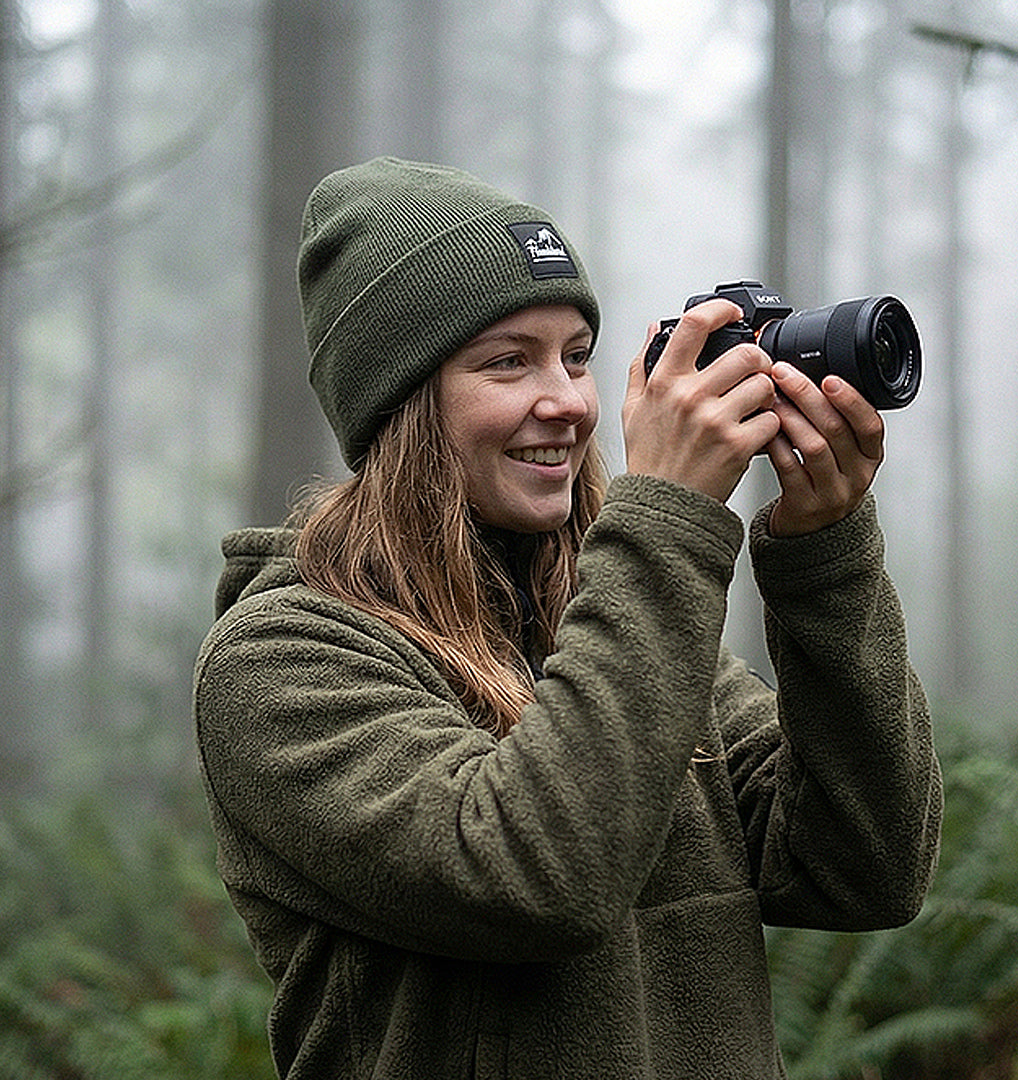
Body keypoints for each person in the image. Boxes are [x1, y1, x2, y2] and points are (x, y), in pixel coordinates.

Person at [193, 157, 943, 1080]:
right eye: (509, 361)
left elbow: (867, 868)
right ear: (397, 401)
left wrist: (823, 557)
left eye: (577, 356)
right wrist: (667, 519)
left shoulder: (613, 619)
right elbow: (537, 878)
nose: (571, 404)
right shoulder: (281, 659)